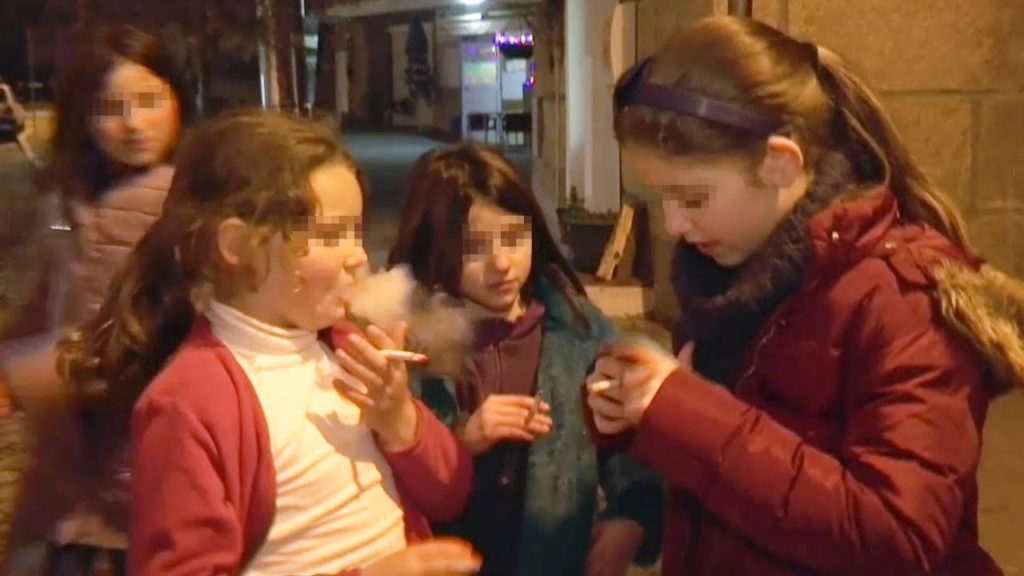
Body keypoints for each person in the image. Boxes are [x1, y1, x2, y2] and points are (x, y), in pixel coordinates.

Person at [583, 15, 1020, 576]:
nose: (674, 225)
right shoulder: (733, 274)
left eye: (692, 198)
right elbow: (739, 471)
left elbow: (898, 537)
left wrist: (689, 412)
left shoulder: (903, 298)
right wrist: (641, 413)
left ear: (780, 163)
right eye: (661, 198)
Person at [57, 110, 480, 576]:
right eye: (330, 235)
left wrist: (400, 419)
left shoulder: (345, 348)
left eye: (355, 232)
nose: (358, 256)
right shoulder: (190, 402)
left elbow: (451, 489)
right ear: (238, 245)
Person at [388, 144, 663, 576]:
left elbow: (631, 444)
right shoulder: (410, 349)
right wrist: (464, 440)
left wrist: (631, 518)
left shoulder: (580, 334)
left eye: (515, 239)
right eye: (474, 248)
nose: (501, 263)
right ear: (432, 245)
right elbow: (391, 468)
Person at [0, 23, 189, 576]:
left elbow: (136, 336)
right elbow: (47, 300)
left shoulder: (178, 206)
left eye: (151, 101)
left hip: (135, 470)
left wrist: (16, 382)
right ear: (82, 115)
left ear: (178, 98)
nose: (134, 124)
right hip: (64, 468)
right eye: (111, 107)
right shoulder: (71, 199)